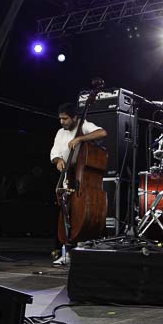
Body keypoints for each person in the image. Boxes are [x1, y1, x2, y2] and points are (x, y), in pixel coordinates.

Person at [49, 103, 107, 264]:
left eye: (65, 119)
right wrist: (58, 160)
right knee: (64, 210)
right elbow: (54, 152)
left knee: (80, 212)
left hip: (80, 175)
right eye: (60, 119)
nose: (62, 122)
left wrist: (80, 138)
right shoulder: (60, 132)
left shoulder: (84, 125)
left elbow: (102, 132)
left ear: (75, 117)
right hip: (67, 174)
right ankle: (65, 250)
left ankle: (81, 248)